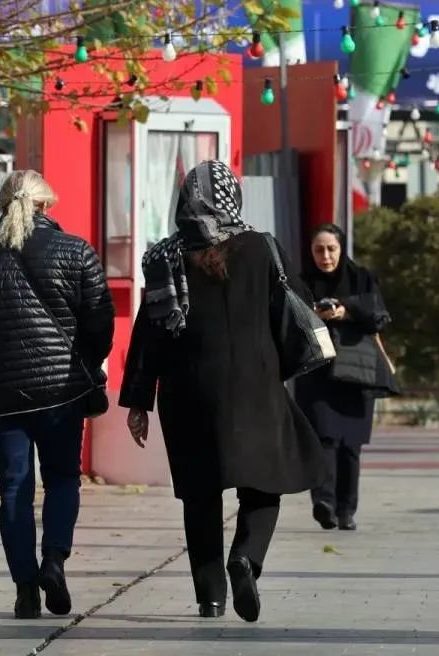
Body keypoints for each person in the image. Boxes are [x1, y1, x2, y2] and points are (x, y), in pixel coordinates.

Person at [119, 161, 325, 623]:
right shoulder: (261, 248)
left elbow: (147, 331)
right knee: (265, 480)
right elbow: (298, 306)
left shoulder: (164, 257)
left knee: (200, 495)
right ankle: (246, 557)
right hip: (255, 388)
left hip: (186, 393)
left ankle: (210, 597)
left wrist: (137, 401)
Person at [0, 170, 114, 619]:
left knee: (13, 490)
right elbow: (100, 321)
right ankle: (54, 560)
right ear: (46, 205)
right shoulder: (75, 251)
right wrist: (87, 366)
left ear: (3, 205)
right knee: (62, 479)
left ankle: (25, 589)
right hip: (61, 393)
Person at [295, 222, 395, 533]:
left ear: (341, 249)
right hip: (317, 374)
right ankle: (323, 502)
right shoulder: (302, 282)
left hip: (357, 375)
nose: (325, 256)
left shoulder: (362, 278)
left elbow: (380, 318)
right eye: (318, 250)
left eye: (331, 249)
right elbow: (287, 321)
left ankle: (346, 510)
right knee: (323, 438)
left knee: (350, 446)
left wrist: (346, 311)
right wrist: (314, 312)